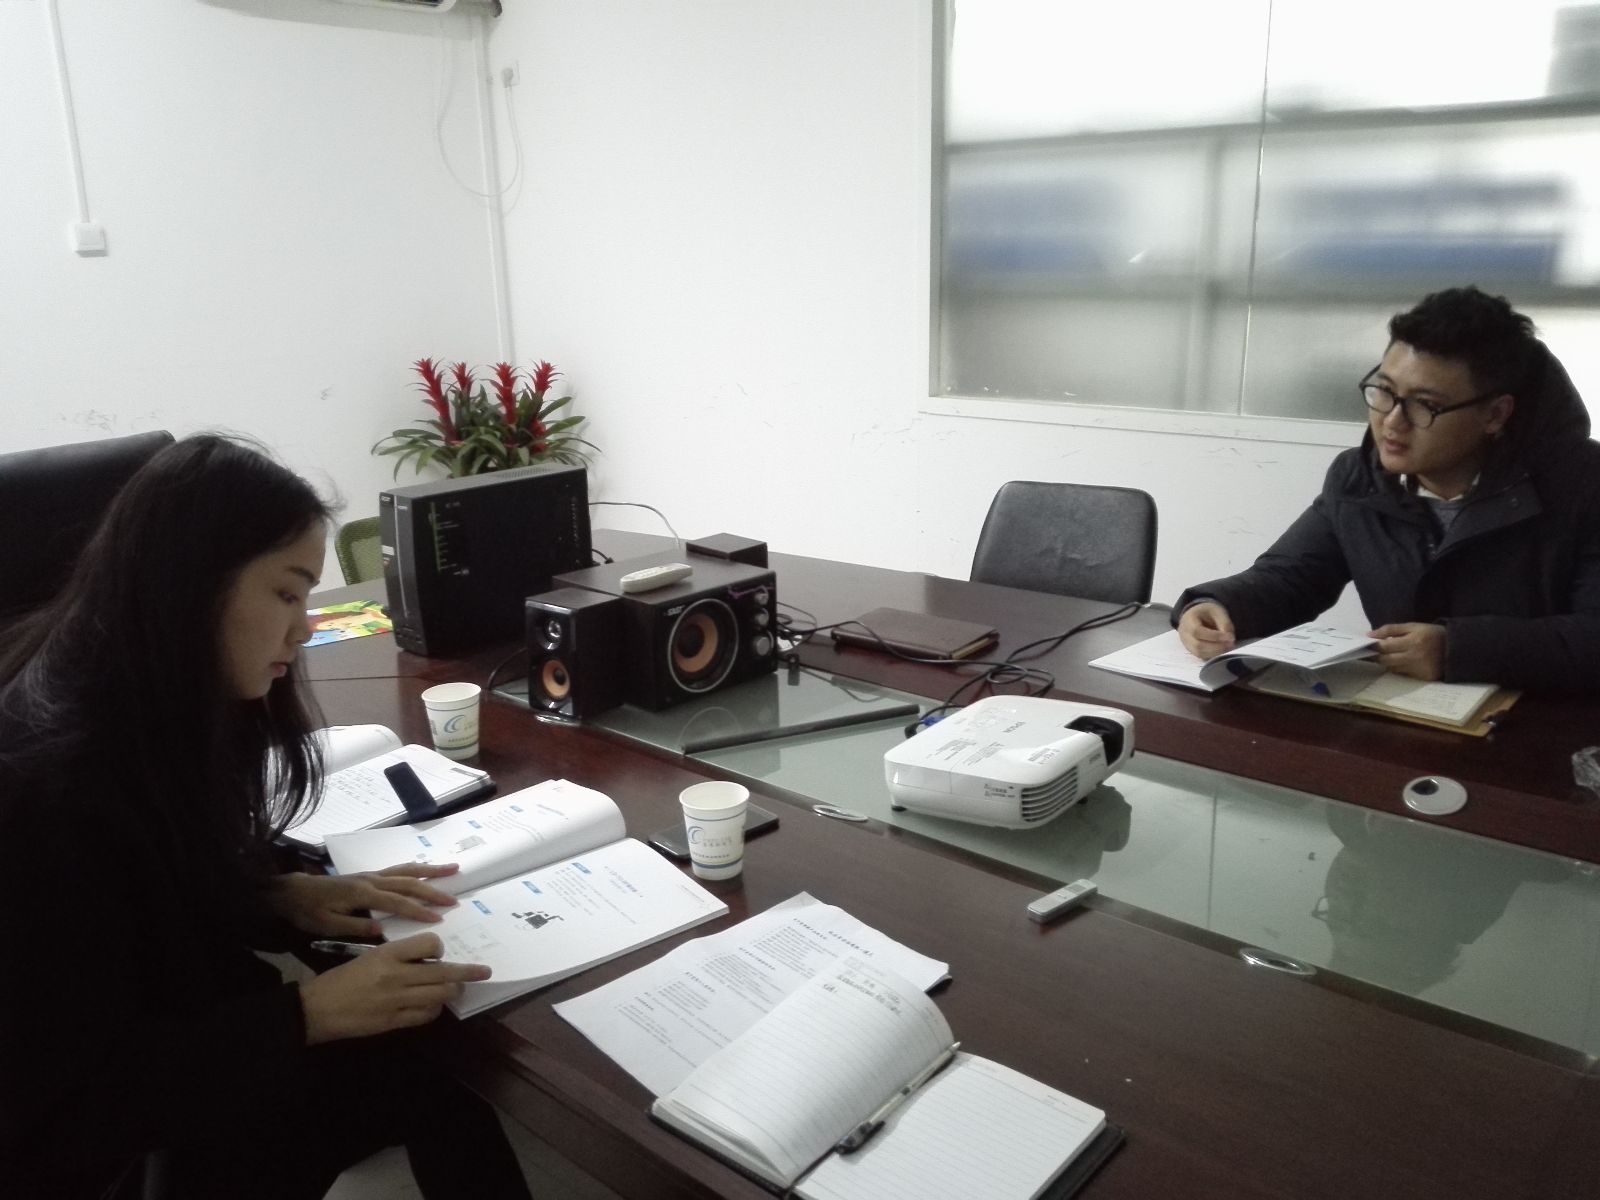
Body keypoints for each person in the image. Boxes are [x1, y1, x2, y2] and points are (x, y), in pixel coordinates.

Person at [0, 435, 533, 1199]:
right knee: (423, 1060)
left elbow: (143, 893)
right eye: (288, 594)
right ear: (191, 585)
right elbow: (63, 1104)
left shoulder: (132, 694)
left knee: (426, 1060)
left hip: (184, 1047)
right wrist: (305, 1015)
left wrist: (271, 896)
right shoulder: (45, 796)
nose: (306, 627)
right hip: (104, 1147)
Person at [1174, 286, 1600, 693]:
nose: (1392, 421)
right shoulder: (1360, 478)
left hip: (1542, 726)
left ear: (1494, 415)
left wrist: (1457, 650)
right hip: (1406, 712)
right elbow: (1293, 578)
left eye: (1425, 404)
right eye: (1385, 391)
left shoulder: (1584, 486)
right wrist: (1218, 605)